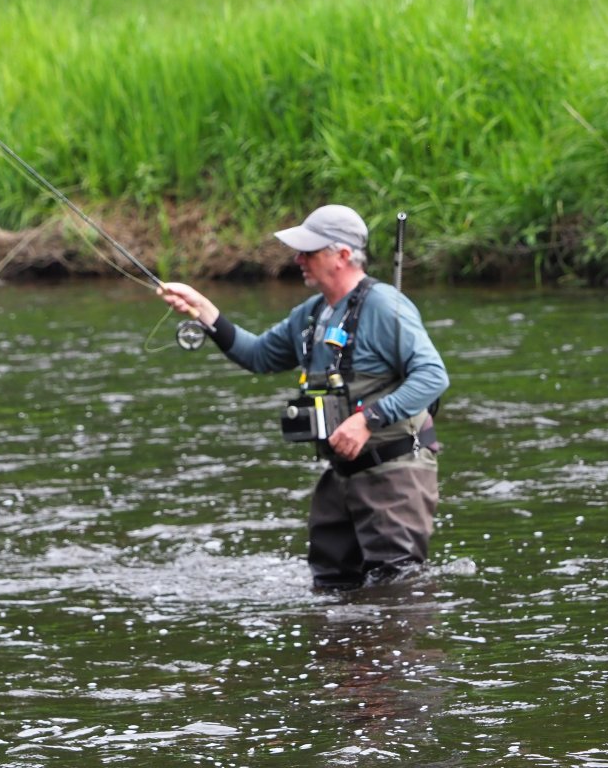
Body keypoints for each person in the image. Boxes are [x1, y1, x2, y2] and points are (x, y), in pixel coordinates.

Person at [157, 204, 449, 589]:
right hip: (341, 476)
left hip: (393, 474)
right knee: (330, 587)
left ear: (342, 255)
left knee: (397, 590)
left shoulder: (383, 305)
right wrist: (204, 312)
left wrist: (367, 420)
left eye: (308, 252)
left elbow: (432, 375)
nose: (298, 259)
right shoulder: (312, 314)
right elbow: (258, 355)